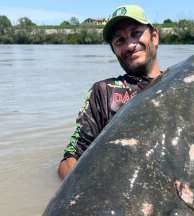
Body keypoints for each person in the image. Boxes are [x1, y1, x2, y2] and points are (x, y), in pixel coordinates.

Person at [58, 4, 161, 180]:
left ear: (154, 36)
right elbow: (69, 161)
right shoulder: (103, 92)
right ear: (114, 51)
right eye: (119, 40)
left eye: (135, 33)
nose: (129, 45)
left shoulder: (182, 84)